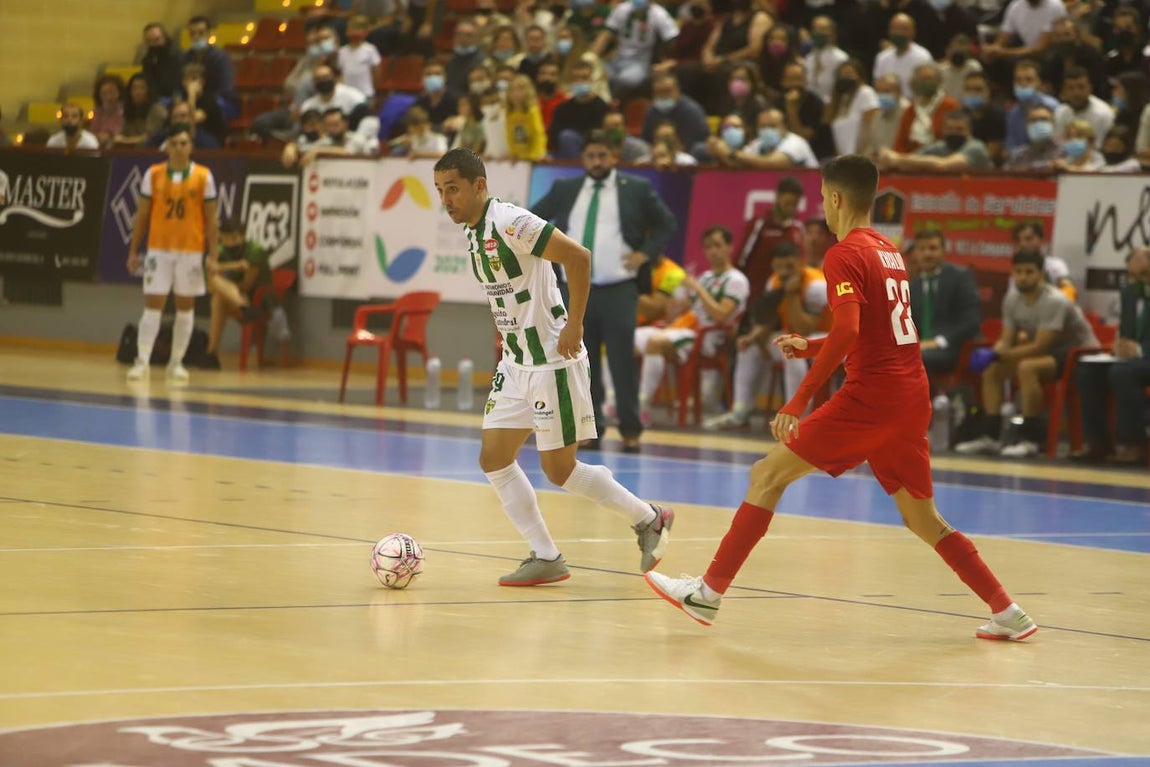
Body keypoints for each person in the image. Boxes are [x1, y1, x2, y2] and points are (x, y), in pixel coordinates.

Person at [644, 154, 1039, 644]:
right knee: (922, 517)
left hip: (871, 397)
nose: (823, 211)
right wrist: (810, 345)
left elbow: (851, 327)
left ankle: (708, 592)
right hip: (910, 394)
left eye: (822, 200)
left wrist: (797, 401)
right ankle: (1008, 610)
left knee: (766, 475)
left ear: (835, 198)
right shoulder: (889, 251)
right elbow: (879, 331)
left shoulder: (841, 254)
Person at [431, 147, 674, 585]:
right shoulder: (472, 231)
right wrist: (501, 328)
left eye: (453, 189)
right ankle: (546, 555)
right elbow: (504, 289)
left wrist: (574, 325)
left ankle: (648, 518)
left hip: (551, 361)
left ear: (479, 186)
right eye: (439, 191)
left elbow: (578, 257)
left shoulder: (510, 221)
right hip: (517, 361)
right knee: (494, 458)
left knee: (559, 470)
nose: (446, 199)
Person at [531, 130, 676, 453]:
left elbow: (666, 223)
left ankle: (630, 428)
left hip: (618, 286)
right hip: (576, 287)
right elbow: (532, 218)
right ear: (583, 159)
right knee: (581, 360)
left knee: (622, 359)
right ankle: (590, 429)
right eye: (591, 156)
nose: (597, 162)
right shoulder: (566, 188)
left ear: (614, 157)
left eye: (603, 156)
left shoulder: (636, 188)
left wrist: (645, 253)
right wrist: (548, 251)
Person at [955, 248, 1098, 458]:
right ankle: (991, 436)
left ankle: (1032, 439)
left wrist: (998, 355)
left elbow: (1041, 346)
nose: (1023, 277)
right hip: (1047, 353)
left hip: (1078, 354)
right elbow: (1007, 339)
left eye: (1029, 272)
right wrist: (992, 353)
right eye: (1019, 272)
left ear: (1041, 274)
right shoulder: (1012, 299)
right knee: (992, 370)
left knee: (1027, 368)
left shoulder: (1054, 300)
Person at [125, 124, 219, 384]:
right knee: (152, 307)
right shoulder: (153, 174)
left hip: (190, 251)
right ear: (166, 146)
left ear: (191, 146)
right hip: (159, 250)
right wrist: (134, 250)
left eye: (183, 143)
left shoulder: (204, 176)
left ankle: (176, 362)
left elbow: (212, 220)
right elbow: (142, 215)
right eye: (174, 143)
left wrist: (213, 256)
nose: (179, 147)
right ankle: (141, 361)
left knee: (185, 309)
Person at [704, 240, 830, 431]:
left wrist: (792, 295)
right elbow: (772, 319)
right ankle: (740, 411)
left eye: (790, 265)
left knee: (792, 351)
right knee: (749, 347)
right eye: (779, 266)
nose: (785, 271)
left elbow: (805, 328)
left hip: (827, 338)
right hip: (795, 336)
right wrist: (754, 337)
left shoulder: (816, 285)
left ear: (799, 262)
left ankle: (796, 417)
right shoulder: (774, 281)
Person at [633, 226, 749, 424]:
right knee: (627, 337)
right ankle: (616, 401)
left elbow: (721, 315)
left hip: (708, 338)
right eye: (708, 247)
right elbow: (688, 307)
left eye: (718, 245)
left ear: (730, 247)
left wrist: (699, 290)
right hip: (686, 329)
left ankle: (642, 407)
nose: (712, 251)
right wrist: (676, 304)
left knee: (654, 342)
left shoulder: (736, 280)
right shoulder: (705, 277)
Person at [1074, 247, 1150, 465]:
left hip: (1144, 359)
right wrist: (1121, 345)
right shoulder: (1129, 294)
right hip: (1135, 360)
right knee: (1088, 370)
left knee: (1122, 373)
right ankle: (1098, 442)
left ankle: (1134, 444)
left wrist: (1140, 350)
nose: (1137, 282)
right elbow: (1127, 333)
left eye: (1144, 275)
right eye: (1132, 276)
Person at [204, 218, 291, 370]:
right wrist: (235, 266)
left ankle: (211, 353)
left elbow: (247, 284)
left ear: (243, 236)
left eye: (234, 238)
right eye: (225, 239)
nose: (230, 242)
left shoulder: (254, 250)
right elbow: (210, 286)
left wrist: (221, 271)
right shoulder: (220, 251)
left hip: (258, 302)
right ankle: (212, 354)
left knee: (218, 297)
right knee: (217, 295)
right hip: (241, 301)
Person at [907, 228, 981, 378]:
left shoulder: (960, 277)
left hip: (953, 347)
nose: (927, 254)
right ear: (916, 253)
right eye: (922, 249)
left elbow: (971, 322)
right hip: (921, 348)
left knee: (912, 359)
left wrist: (939, 341)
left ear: (943, 250)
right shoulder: (913, 285)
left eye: (933, 248)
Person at [880, 108, 993, 172]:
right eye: (950, 129)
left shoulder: (976, 147)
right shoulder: (940, 146)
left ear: (969, 131)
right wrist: (890, 159)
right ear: (943, 130)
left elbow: (945, 165)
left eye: (959, 129)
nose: (954, 132)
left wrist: (897, 158)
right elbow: (911, 161)